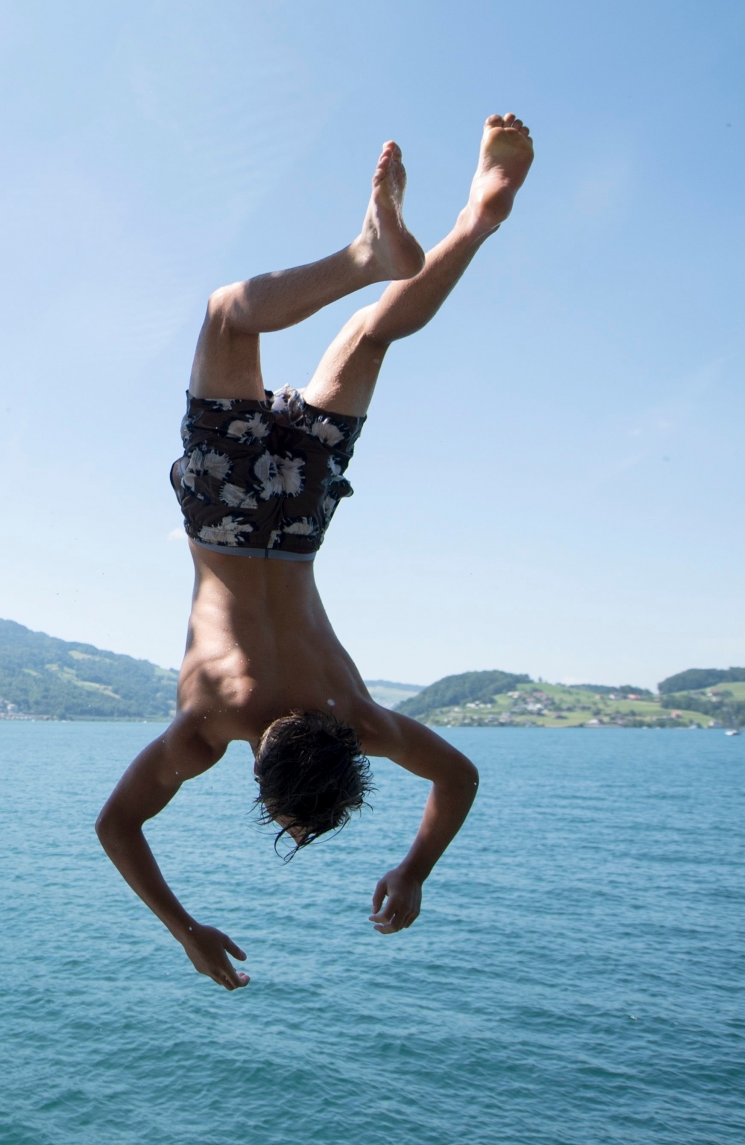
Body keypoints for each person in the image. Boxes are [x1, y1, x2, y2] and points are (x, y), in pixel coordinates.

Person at [95, 114, 535, 988]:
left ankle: (479, 217)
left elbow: (459, 777)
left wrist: (416, 868)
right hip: (224, 517)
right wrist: (185, 928)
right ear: (259, 764)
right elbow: (118, 827)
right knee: (228, 316)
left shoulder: (360, 718)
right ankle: (364, 254)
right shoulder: (210, 723)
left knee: (368, 338)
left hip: (299, 523)